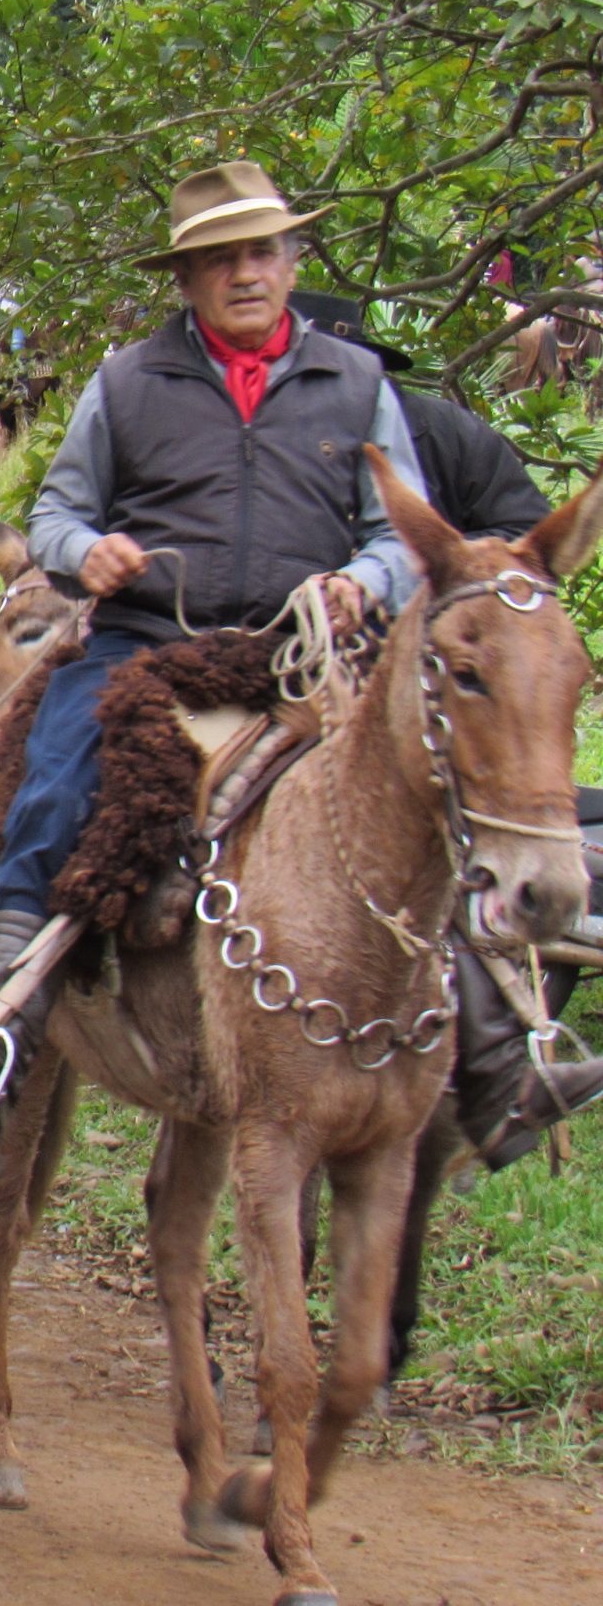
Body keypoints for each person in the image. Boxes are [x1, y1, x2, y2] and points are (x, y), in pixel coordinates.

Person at [0, 161, 430, 1157]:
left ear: (290, 258)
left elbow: (402, 532)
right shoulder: (127, 380)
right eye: (217, 258)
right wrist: (80, 552)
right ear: (183, 279)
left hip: (296, 655)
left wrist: (367, 579)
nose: (244, 273)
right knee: (55, 774)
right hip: (147, 642)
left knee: (435, 787)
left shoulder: (356, 384)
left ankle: (498, 1039)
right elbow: (57, 511)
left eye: (261, 251)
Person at [287, 290, 603, 1163]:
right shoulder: (275, 440)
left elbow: (522, 540)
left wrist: (456, 589)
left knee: (463, 825)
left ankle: (505, 1062)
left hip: (437, 683)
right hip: (303, 662)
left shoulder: (444, 436)